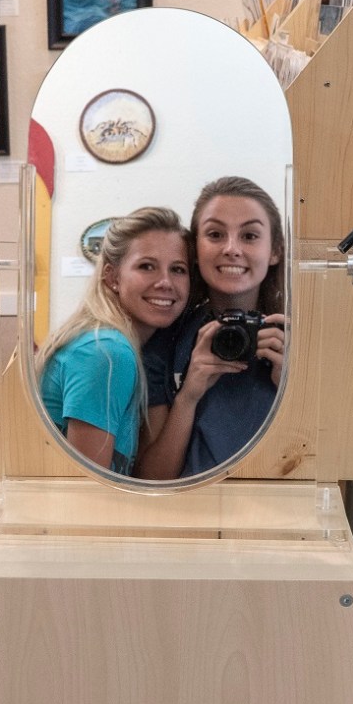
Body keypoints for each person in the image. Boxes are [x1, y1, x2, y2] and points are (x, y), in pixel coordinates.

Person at [136, 176, 286, 479]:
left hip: (275, 499)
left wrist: (293, 392)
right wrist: (188, 396)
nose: (231, 249)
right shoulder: (164, 342)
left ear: (275, 251)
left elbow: (328, 463)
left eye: (250, 236)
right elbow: (154, 480)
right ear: (195, 250)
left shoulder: (296, 339)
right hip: (190, 505)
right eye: (215, 234)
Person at [37, 207, 192, 475]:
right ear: (112, 277)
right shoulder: (106, 352)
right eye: (147, 266)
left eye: (178, 269)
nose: (165, 282)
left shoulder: (111, 343)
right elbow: (90, 487)